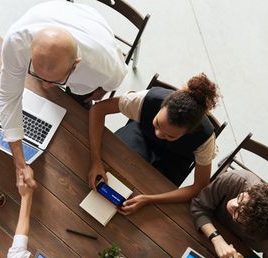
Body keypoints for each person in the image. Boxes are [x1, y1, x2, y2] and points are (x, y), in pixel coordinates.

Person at [0, 1, 128, 187]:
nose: (44, 85)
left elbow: (111, 83)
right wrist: (19, 162)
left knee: (80, 109)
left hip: (91, 27)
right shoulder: (16, 42)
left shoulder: (105, 68)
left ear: (76, 64)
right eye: (37, 74)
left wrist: (100, 91)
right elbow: (8, 98)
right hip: (52, 11)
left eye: (52, 81)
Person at [89, 73, 220, 214]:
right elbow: (98, 110)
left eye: (170, 135)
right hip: (142, 134)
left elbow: (199, 186)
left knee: (153, 191)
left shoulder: (204, 139)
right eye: (157, 123)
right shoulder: (146, 100)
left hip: (177, 157)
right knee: (114, 164)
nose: (159, 134)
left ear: (189, 132)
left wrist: (149, 199)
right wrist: (95, 160)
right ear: (162, 106)